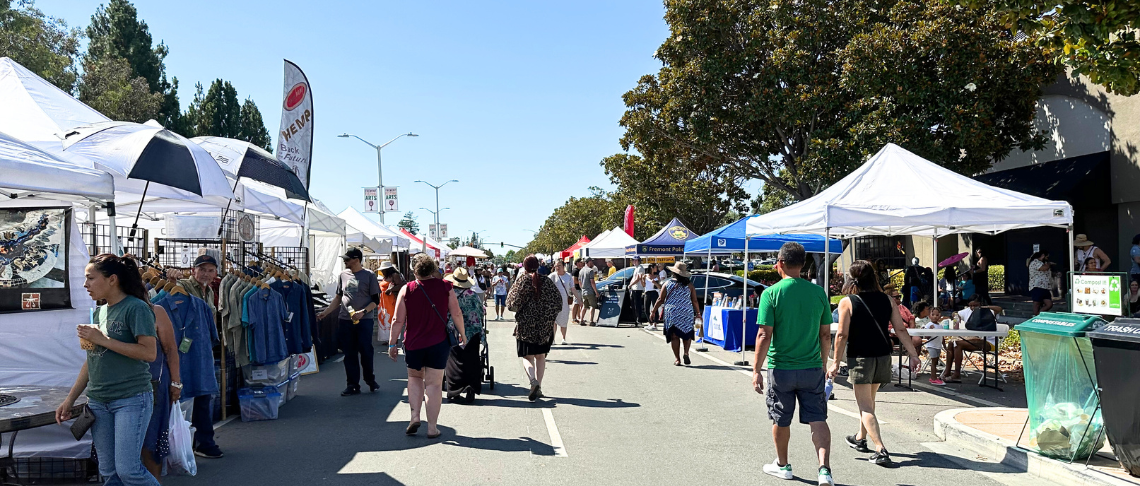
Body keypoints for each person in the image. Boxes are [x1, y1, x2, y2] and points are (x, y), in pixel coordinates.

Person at [56, 254, 160, 486]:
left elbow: (149, 353)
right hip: (98, 402)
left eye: (90, 278)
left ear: (112, 279)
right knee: (109, 471)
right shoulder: (99, 311)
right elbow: (91, 361)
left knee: (128, 470)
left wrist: (102, 340)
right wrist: (70, 399)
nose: (85, 285)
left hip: (131, 399)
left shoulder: (136, 308)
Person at [752, 243, 835, 485]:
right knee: (818, 417)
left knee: (781, 418)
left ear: (779, 263)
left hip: (782, 369)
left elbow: (764, 335)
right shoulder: (818, 293)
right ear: (804, 264)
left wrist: (756, 370)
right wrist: (822, 363)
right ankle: (824, 470)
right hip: (811, 367)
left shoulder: (771, 293)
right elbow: (825, 335)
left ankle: (783, 465)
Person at [828, 260, 920, 468]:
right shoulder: (888, 300)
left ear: (852, 279)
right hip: (883, 355)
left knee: (865, 406)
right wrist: (913, 354)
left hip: (860, 357)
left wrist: (835, 362)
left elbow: (841, 335)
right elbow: (901, 330)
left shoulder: (848, 302)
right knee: (870, 399)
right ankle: (860, 437)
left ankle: (880, 449)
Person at [389, 255, 465, 438]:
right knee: (434, 384)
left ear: (414, 271)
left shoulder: (407, 289)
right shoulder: (446, 287)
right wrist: (463, 335)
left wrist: (392, 343)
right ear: (433, 270)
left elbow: (397, 320)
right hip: (438, 343)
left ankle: (415, 416)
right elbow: (456, 313)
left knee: (414, 378)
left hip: (414, 343)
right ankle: (432, 428)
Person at [171, 255, 224, 459]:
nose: (206, 274)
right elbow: (170, 294)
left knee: (204, 395)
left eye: (211, 270)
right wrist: (172, 281)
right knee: (185, 397)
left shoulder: (209, 291)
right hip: (184, 351)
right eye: (202, 269)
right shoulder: (184, 287)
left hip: (201, 349)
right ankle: (183, 444)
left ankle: (203, 441)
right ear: (193, 270)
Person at [317, 247, 382, 396]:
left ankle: (370, 379)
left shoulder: (369, 275)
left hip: (363, 321)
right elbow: (339, 297)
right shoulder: (343, 275)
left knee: (366, 351)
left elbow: (375, 301)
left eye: (347, 259)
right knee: (349, 353)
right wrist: (325, 313)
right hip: (345, 320)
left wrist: (363, 312)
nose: (345, 261)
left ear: (356, 260)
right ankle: (352, 384)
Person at [507, 256, 563, 401]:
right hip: (545, 327)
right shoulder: (547, 281)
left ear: (524, 267)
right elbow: (558, 302)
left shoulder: (522, 281)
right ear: (538, 266)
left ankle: (533, 382)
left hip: (526, 325)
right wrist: (549, 317)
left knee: (527, 356)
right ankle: (539, 387)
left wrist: (522, 310)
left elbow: (511, 303)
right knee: (541, 356)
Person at [142, 302, 181, 480]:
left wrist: (176, 383)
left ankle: (154, 482)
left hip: (155, 383)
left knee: (151, 441)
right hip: (123, 387)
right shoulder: (105, 311)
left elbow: (171, 349)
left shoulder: (155, 311)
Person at [942, 295, 1003, 383]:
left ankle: (957, 374)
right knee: (952, 343)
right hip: (973, 339)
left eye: (975, 305)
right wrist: (956, 316)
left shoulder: (987, 311)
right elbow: (955, 313)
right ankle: (947, 372)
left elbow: (999, 309)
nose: (972, 308)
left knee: (958, 344)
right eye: (970, 306)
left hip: (988, 342)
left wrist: (984, 307)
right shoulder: (967, 311)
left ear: (980, 304)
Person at [652, 262, 701, 366]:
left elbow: (661, 299)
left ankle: (677, 359)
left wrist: (653, 311)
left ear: (674, 273)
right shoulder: (689, 285)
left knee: (674, 336)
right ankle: (686, 353)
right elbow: (695, 300)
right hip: (686, 312)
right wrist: (698, 313)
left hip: (672, 312)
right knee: (686, 334)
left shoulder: (668, 283)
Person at [445, 267, 484, 344]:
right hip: (473, 330)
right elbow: (480, 311)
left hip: (453, 329)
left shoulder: (449, 294)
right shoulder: (474, 295)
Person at [378, 261, 407, 345]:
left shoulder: (395, 275)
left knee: (391, 318)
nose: (382, 272)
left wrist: (390, 290)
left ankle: (394, 338)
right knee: (384, 318)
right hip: (384, 300)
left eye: (383, 270)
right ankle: (387, 338)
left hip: (391, 299)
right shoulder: (386, 276)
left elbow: (400, 286)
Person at [550, 260, 574, 345]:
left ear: (563, 266)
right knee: (554, 321)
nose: (557, 267)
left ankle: (564, 338)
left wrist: (579, 299)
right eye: (556, 266)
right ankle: (553, 339)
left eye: (559, 265)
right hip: (554, 302)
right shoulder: (552, 276)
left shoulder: (568, 276)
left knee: (564, 320)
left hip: (564, 302)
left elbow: (572, 288)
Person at [1028, 251, 1054, 316]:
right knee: (1037, 303)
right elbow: (1044, 268)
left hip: (1045, 287)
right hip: (1037, 286)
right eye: (1047, 257)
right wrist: (1049, 264)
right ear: (1043, 256)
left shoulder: (1043, 263)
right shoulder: (1035, 262)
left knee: (1049, 304)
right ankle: (1036, 315)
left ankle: (1039, 314)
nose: (1047, 258)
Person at [580, 259, 600, 326]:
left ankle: (581, 320)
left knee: (584, 306)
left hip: (583, 291)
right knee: (592, 306)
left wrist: (582, 288)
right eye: (591, 262)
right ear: (588, 262)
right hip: (590, 291)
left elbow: (580, 281)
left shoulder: (581, 270)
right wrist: (596, 292)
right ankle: (591, 321)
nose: (592, 263)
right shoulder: (590, 271)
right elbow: (592, 282)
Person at [643, 263, 661, 331]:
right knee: (646, 308)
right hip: (647, 292)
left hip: (654, 292)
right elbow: (643, 285)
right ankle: (650, 323)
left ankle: (655, 324)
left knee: (655, 308)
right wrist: (642, 279)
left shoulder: (657, 276)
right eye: (655, 267)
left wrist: (655, 283)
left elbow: (659, 287)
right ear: (652, 268)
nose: (656, 269)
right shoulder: (646, 276)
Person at [629, 257, 646, 326]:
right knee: (633, 305)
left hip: (638, 288)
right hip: (634, 288)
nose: (633, 262)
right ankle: (636, 320)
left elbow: (639, 278)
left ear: (637, 261)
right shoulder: (636, 268)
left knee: (637, 305)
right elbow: (634, 278)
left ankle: (639, 320)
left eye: (634, 260)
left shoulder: (640, 268)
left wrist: (630, 284)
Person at [571, 260, 585, 325]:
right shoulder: (575, 271)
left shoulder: (581, 270)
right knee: (576, 303)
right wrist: (581, 283)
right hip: (576, 289)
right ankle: (573, 318)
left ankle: (579, 317)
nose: (581, 263)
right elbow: (574, 280)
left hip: (580, 289)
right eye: (580, 262)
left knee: (580, 304)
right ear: (577, 263)